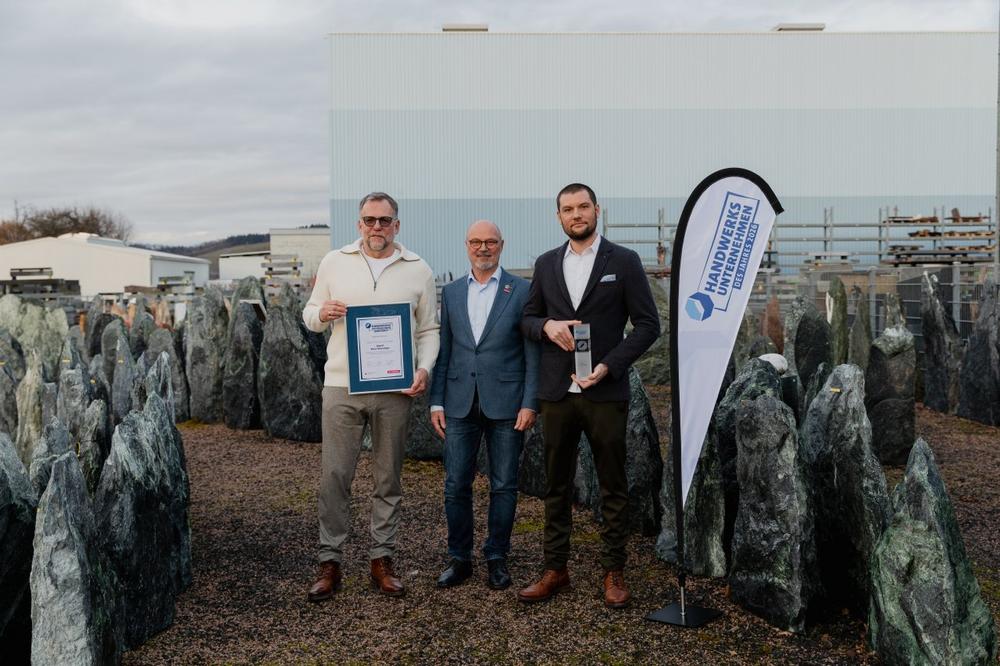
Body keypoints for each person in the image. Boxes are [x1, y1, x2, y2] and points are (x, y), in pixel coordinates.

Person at [518, 183, 659, 609]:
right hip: (557, 392)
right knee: (555, 485)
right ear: (558, 216)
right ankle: (555, 569)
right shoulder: (546, 264)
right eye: (568, 209)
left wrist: (611, 365)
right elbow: (527, 319)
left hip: (604, 390)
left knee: (612, 485)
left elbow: (648, 325)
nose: (576, 214)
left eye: (583, 207)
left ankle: (614, 570)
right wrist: (546, 327)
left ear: (597, 210)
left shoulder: (624, 261)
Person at [302, 192, 439, 601]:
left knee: (388, 477)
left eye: (384, 220)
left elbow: (429, 329)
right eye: (369, 220)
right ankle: (330, 560)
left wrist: (423, 368)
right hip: (342, 386)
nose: (376, 227)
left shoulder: (418, 269)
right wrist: (322, 314)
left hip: (394, 388)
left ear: (397, 224)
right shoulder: (334, 262)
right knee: (335, 475)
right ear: (358, 224)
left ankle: (382, 558)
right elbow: (309, 314)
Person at [428, 220, 540, 591]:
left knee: (504, 485)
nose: (483, 248)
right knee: (455, 485)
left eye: (490, 242)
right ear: (466, 245)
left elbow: (532, 352)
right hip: (459, 403)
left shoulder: (521, 290)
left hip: (507, 404)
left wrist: (530, 402)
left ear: (501, 245)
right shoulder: (452, 292)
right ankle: (459, 558)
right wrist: (437, 401)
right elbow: (445, 350)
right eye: (476, 241)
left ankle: (497, 557)